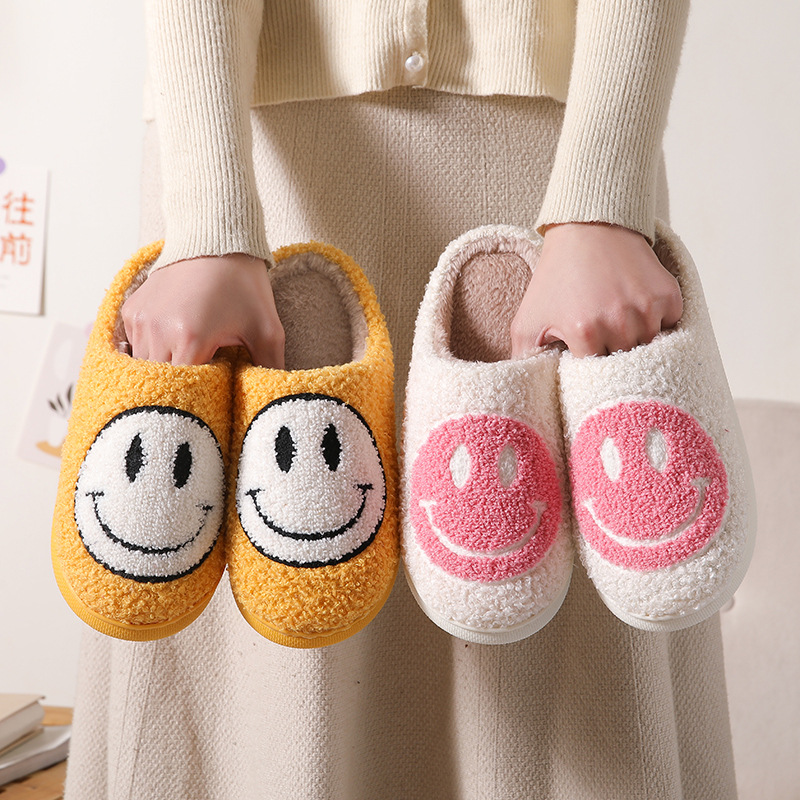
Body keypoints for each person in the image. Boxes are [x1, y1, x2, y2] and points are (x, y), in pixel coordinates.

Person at [64, 3, 738, 798]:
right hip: (236, 158)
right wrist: (209, 219)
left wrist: (604, 196)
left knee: (562, 627)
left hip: (562, 159)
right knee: (253, 580)